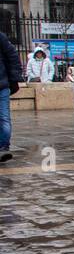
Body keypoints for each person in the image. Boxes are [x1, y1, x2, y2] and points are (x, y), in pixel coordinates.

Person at [0, 30, 20, 163]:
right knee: (4, 118)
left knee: (4, 117)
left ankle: (3, 147)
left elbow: (13, 56)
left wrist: (13, 79)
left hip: (2, 85)